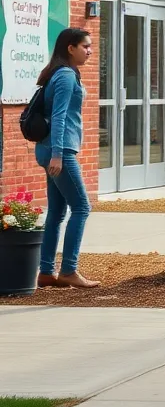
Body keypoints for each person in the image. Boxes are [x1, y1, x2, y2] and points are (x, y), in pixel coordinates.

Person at [35, 28, 98, 289]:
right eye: (85, 46)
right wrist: (59, 155)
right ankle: (69, 270)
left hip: (51, 150)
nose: (90, 51)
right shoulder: (65, 76)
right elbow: (59, 117)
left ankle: (47, 271)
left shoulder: (62, 73)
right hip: (58, 152)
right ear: (70, 48)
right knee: (82, 208)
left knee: (58, 212)